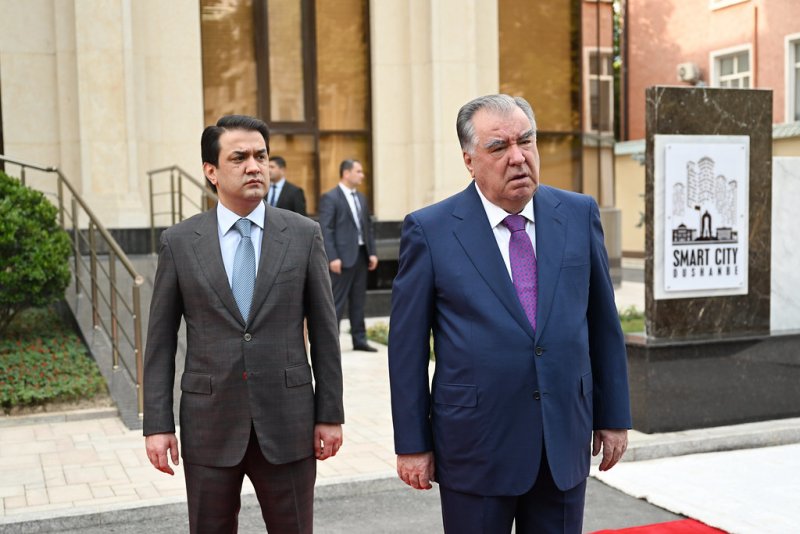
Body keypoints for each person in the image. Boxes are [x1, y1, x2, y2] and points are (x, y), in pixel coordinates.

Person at [388, 94, 631, 534]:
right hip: (475, 445)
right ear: (469, 160)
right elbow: (406, 349)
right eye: (499, 147)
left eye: (526, 141)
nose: (518, 157)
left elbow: (603, 325)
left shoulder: (578, 215)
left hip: (562, 439)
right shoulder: (431, 230)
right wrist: (412, 444)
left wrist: (613, 416)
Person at [143, 115, 344, 534]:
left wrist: (330, 414)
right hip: (209, 423)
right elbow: (160, 342)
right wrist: (158, 425)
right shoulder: (179, 243)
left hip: (288, 422)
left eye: (261, 156)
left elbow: (326, 333)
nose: (254, 167)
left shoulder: (303, 235)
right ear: (211, 171)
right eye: (239, 158)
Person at [318, 159, 379, 352]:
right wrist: (332, 257)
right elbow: (326, 229)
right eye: (358, 171)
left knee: (358, 301)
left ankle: (359, 340)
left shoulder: (361, 198)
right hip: (341, 259)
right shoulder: (330, 198)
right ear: (346, 173)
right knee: (336, 302)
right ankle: (330, 343)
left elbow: (368, 227)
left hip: (361, 256)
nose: (362, 175)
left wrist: (372, 253)